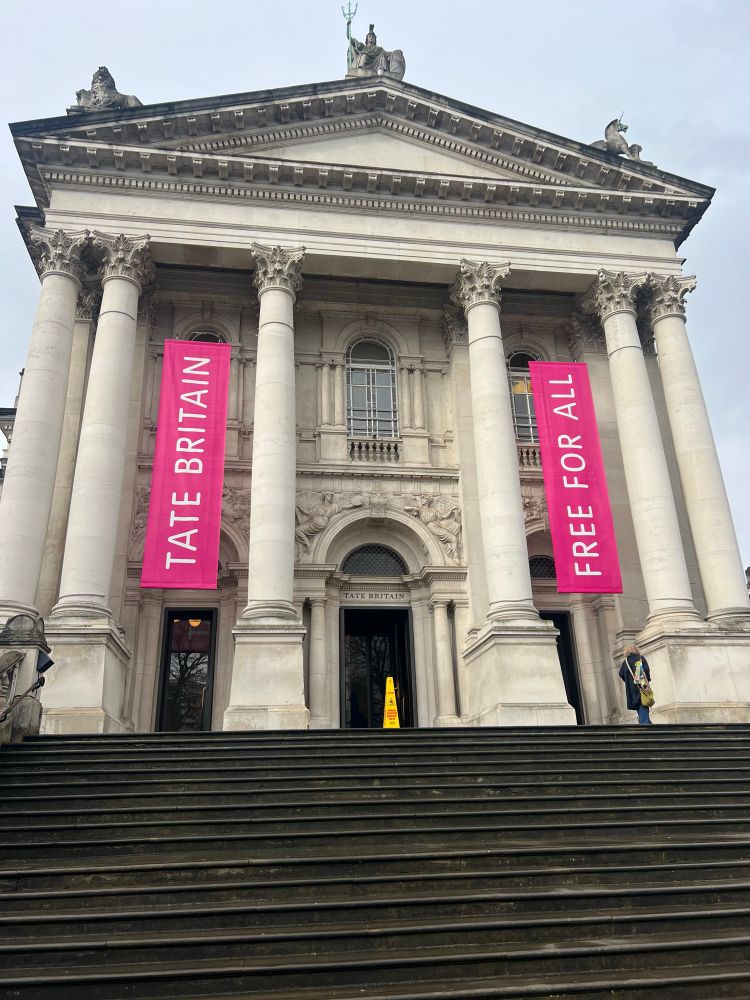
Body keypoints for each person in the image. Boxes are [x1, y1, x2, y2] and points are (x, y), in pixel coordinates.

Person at [618, 643, 654, 725]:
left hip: (631, 689)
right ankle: (645, 724)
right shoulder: (640, 658)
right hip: (641, 686)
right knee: (643, 703)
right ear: (636, 650)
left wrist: (628, 681)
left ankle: (645, 722)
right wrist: (646, 683)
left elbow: (621, 673)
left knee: (639, 705)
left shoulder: (625, 662)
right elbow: (645, 672)